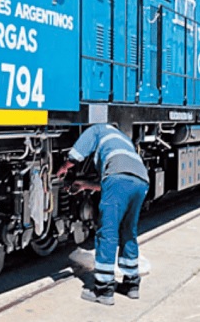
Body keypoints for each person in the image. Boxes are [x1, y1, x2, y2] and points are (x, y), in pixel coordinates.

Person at [56, 124, 149, 306]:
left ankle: (103, 289)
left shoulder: (97, 129)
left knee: (107, 232)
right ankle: (132, 285)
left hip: (118, 179)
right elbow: (112, 182)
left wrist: (64, 167)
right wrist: (84, 185)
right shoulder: (121, 138)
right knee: (128, 231)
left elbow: (78, 152)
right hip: (141, 180)